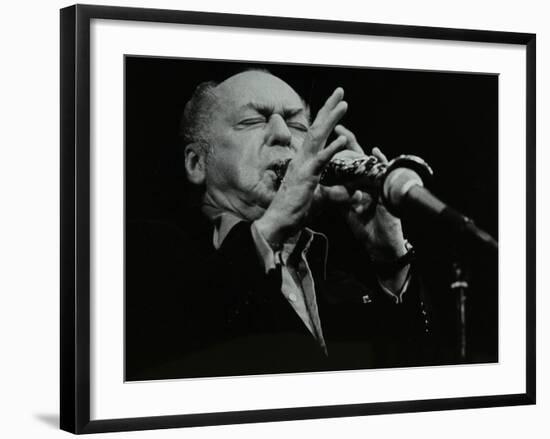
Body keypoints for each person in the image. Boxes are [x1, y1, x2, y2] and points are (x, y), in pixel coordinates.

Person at [125, 69, 433, 381]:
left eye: (298, 125)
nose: (284, 134)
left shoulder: (341, 283)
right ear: (196, 163)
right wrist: (271, 228)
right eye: (253, 121)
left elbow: (405, 389)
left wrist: (391, 260)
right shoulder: (144, 248)